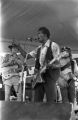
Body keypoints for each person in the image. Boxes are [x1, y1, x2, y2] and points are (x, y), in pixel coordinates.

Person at [16, 27, 60, 102]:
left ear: (45, 35)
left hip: (50, 76)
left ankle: (50, 113)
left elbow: (59, 64)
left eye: (39, 33)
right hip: (40, 76)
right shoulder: (39, 48)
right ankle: (38, 113)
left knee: (51, 100)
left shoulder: (54, 46)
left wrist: (51, 65)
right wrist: (18, 47)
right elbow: (27, 56)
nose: (37, 35)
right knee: (37, 100)